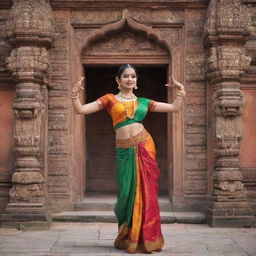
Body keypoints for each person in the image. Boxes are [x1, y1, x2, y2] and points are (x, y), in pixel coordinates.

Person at [71, 64, 186, 254]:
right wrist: (74, 94)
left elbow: (174, 108)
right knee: (126, 194)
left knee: (145, 193)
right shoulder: (109, 99)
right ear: (118, 80)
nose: (130, 79)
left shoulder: (143, 102)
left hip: (144, 146)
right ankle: (127, 235)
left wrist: (180, 91)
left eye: (133, 76)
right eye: (125, 76)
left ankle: (145, 239)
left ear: (136, 80)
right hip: (124, 151)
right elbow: (81, 111)